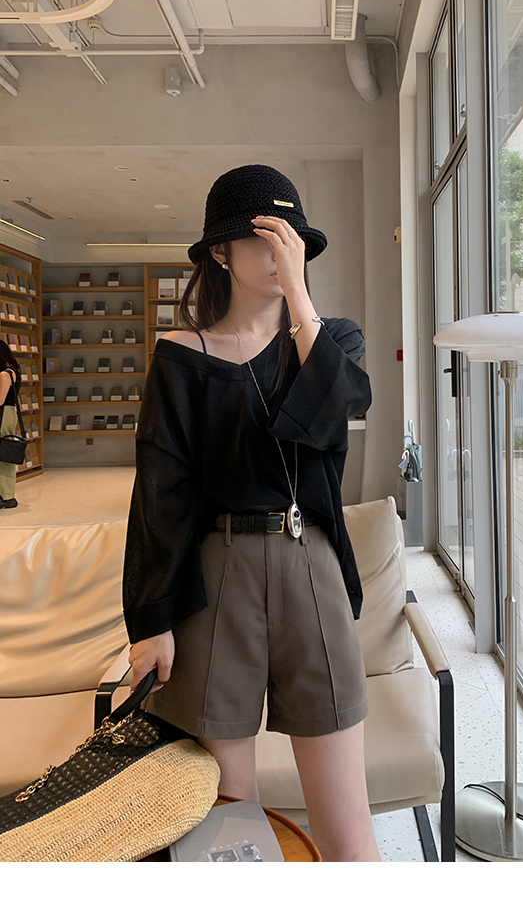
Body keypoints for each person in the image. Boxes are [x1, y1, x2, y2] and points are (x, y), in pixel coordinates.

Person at [121, 165, 380, 862]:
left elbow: (339, 410)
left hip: (311, 566)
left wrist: (299, 297)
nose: (278, 254)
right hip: (218, 576)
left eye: (289, 241)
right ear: (220, 252)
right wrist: (152, 622)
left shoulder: (330, 340)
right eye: (263, 239)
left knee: (346, 825)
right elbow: (162, 494)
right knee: (227, 828)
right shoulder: (180, 356)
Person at [0, 340, 22, 510]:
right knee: (5, 453)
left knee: (3, 453)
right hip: (9, 413)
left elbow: (0, 400)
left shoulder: (4, 374)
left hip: (3, 414)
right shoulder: (14, 371)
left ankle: (5, 495)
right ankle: (6, 495)